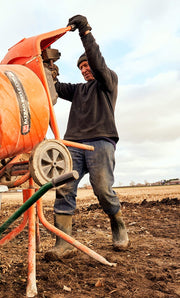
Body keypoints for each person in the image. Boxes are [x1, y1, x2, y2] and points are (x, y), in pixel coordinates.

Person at [45, 15, 129, 261]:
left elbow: (97, 61)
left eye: (87, 65)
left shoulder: (107, 81)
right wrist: (48, 70)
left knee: (102, 189)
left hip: (101, 143)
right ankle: (64, 243)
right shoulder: (79, 90)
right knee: (64, 189)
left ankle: (118, 224)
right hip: (73, 145)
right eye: (81, 68)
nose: (84, 70)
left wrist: (85, 33)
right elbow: (56, 88)